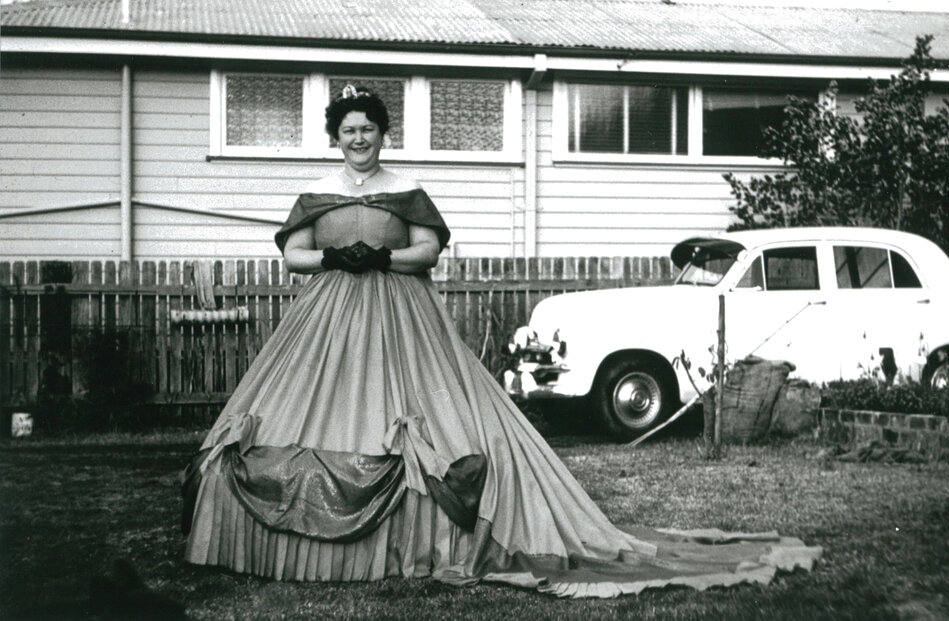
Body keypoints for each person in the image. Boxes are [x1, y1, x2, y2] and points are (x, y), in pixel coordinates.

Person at [181, 85, 821, 597]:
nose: (358, 140)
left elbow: (429, 247)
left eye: (368, 130)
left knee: (432, 411)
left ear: (382, 134)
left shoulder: (405, 190)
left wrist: (384, 255)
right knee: (315, 409)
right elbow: (293, 254)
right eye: (347, 131)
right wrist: (334, 259)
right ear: (334, 137)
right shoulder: (316, 194)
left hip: (402, 317)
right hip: (327, 319)